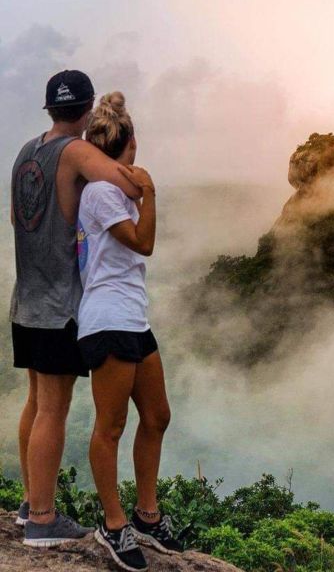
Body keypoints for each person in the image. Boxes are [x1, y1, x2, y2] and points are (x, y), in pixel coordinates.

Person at [11, 70, 141, 547]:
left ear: (49, 109)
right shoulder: (75, 150)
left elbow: (16, 218)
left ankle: (30, 503)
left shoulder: (27, 152)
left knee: (35, 403)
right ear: (86, 112)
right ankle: (43, 519)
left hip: (25, 298)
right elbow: (127, 184)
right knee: (54, 411)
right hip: (59, 306)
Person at [76, 92, 180, 572]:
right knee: (111, 426)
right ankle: (113, 525)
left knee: (157, 416)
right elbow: (144, 243)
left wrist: (137, 191)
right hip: (106, 318)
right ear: (131, 143)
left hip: (133, 317)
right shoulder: (100, 193)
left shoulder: (113, 188)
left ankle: (146, 514)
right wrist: (150, 192)